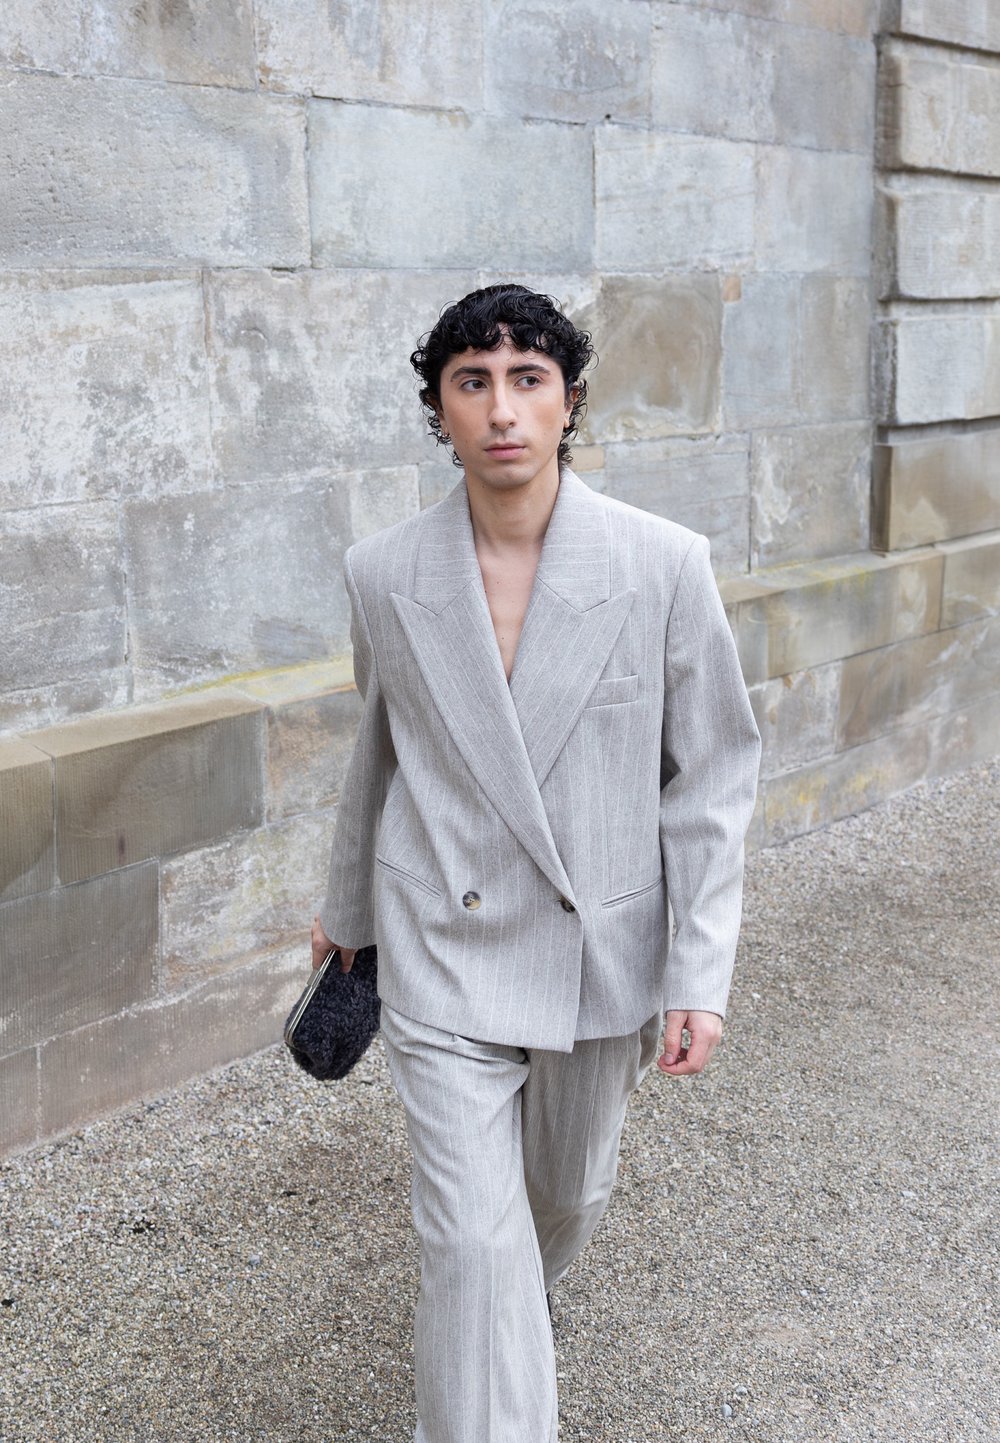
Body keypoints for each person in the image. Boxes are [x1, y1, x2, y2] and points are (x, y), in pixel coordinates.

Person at [310, 284, 761, 1442]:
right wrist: (345, 908)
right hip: (440, 943)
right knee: (468, 1243)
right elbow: (377, 751)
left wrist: (696, 973)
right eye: (473, 382)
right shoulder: (382, 572)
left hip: (596, 953)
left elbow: (710, 779)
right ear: (438, 410)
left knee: (559, 1204)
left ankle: (509, 1319)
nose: (502, 409)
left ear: (566, 403)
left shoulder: (662, 565)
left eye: (528, 380)